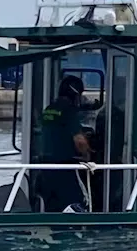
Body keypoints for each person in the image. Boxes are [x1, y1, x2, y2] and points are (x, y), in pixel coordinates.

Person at [35, 75, 93, 212]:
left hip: (44, 166)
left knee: (53, 206)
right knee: (76, 203)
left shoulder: (49, 108)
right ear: (75, 93)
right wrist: (87, 155)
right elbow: (79, 140)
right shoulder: (68, 110)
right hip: (64, 166)